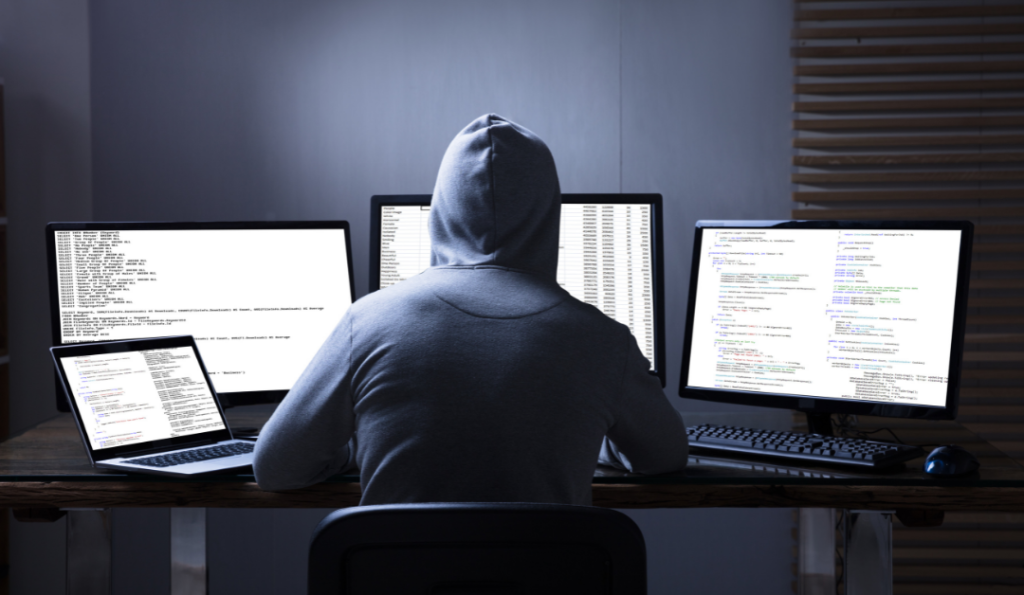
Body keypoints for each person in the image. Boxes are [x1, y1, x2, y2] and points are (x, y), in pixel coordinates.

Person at [253, 114, 688, 505]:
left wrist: (358, 447)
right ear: (549, 211)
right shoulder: (604, 339)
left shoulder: (366, 321)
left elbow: (276, 468)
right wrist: (592, 436)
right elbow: (665, 457)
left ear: (442, 207)